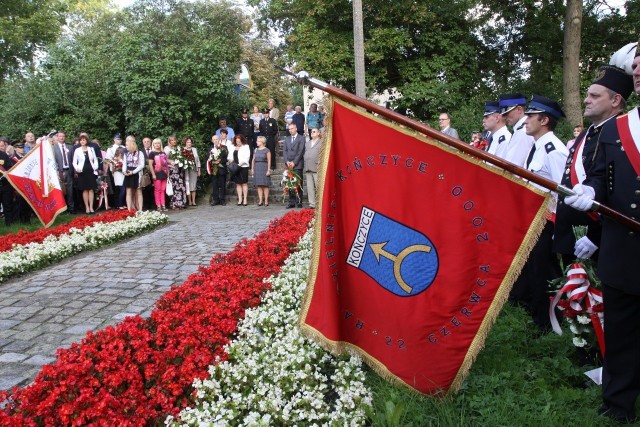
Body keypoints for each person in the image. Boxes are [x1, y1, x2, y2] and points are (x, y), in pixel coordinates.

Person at [565, 46, 640, 423]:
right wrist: (592, 191)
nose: (639, 73)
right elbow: (599, 176)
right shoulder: (616, 128)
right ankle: (618, 405)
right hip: (623, 248)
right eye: (637, 68)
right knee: (623, 332)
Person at [554, 65, 632, 265]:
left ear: (615, 100)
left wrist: (596, 236)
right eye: (587, 94)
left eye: (595, 96)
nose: (587, 100)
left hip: (597, 240)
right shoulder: (586, 133)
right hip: (572, 235)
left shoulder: (623, 136)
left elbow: (623, 196)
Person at [509, 95, 568, 331]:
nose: (526, 121)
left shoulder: (554, 150)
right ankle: (542, 318)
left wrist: (558, 229)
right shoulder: (539, 146)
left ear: (544, 120)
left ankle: (548, 323)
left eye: (531, 116)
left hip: (548, 220)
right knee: (537, 269)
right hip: (536, 218)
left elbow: (564, 190)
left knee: (543, 271)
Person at [498, 93, 535, 167]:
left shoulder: (523, 132)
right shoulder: (519, 130)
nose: (504, 117)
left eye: (506, 113)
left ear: (519, 109)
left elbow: (513, 167)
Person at [72, 135, 99, 214]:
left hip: (91, 170)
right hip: (82, 171)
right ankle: (86, 207)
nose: (82, 141)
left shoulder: (91, 149)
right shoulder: (77, 150)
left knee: (91, 189)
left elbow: (95, 159)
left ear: (86, 141)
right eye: (81, 140)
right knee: (85, 190)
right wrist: (77, 169)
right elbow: (74, 162)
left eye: (84, 140)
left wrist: (96, 167)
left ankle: (91, 207)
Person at [53, 130, 75, 214]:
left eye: (63, 136)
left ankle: (71, 209)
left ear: (65, 137)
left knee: (70, 191)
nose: (61, 138)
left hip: (69, 170)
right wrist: (58, 171)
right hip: (60, 171)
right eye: (60, 136)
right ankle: (62, 210)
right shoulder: (54, 148)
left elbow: (73, 159)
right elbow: (53, 160)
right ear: (57, 137)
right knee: (61, 191)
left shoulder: (70, 147)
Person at [283, 123, 305, 208]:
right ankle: (291, 202)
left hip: (298, 164)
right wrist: (287, 161)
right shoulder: (287, 139)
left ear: (296, 128)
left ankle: (299, 201)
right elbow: (284, 151)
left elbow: (301, 151)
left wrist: (294, 162)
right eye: (289, 129)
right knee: (290, 183)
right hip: (289, 164)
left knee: (298, 183)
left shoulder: (301, 138)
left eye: (292, 128)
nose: (290, 130)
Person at [122, 136, 145, 211]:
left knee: (138, 191)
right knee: (128, 191)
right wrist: (124, 172)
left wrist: (133, 172)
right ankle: (129, 209)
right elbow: (124, 164)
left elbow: (142, 165)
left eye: (127, 145)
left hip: (136, 173)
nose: (126, 147)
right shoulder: (126, 154)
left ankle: (140, 209)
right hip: (128, 173)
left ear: (131, 145)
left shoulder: (139, 153)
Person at [164, 135, 187, 209]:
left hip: (179, 169)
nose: (174, 141)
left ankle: (181, 203)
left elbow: (182, 156)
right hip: (172, 169)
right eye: (172, 140)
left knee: (180, 186)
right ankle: (174, 204)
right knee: (174, 186)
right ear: (169, 141)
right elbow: (165, 159)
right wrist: (172, 162)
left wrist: (181, 161)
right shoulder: (167, 149)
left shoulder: (178, 148)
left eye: (174, 140)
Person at [106, 133, 126, 209]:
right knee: (118, 188)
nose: (119, 140)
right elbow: (108, 160)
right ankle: (118, 204)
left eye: (120, 139)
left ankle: (122, 203)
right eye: (118, 139)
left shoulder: (124, 147)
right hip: (116, 170)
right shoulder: (111, 148)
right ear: (114, 139)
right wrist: (113, 168)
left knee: (123, 187)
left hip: (123, 169)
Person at [207, 135, 228, 206]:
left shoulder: (224, 147)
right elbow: (207, 158)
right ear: (212, 140)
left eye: (216, 139)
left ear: (219, 139)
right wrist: (212, 162)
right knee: (214, 185)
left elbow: (225, 158)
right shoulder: (210, 148)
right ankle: (215, 200)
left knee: (222, 185)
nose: (215, 140)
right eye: (214, 139)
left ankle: (222, 200)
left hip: (222, 169)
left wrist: (219, 161)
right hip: (214, 169)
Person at [303, 128, 322, 208]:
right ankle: (312, 203)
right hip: (308, 166)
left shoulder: (321, 142)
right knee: (310, 187)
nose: (312, 133)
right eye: (311, 132)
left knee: (319, 186)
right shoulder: (307, 143)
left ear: (318, 133)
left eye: (314, 132)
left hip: (316, 167)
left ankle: (320, 202)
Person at [148, 138, 168, 211]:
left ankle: (163, 205)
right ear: (153, 144)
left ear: (160, 144)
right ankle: (158, 205)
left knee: (163, 189)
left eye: (158, 143)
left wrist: (167, 173)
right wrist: (153, 174)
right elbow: (150, 165)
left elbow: (166, 164)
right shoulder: (152, 153)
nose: (157, 145)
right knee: (157, 189)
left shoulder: (163, 153)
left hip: (164, 173)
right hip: (156, 173)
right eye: (155, 143)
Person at [230, 134, 250, 206]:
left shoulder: (246, 146)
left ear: (242, 141)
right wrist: (231, 161)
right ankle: (240, 199)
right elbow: (230, 156)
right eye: (237, 141)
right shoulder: (233, 147)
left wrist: (239, 165)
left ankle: (245, 199)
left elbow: (246, 157)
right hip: (235, 167)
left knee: (244, 183)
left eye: (239, 141)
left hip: (243, 167)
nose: (238, 143)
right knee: (238, 184)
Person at [251, 136, 271, 206]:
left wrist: (268, 170)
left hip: (264, 167)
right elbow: (253, 160)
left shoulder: (267, 150)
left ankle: (266, 201)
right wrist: (252, 169)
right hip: (257, 167)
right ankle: (260, 200)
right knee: (259, 185)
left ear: (262, 142)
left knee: (265, 185)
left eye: (258, 141)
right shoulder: (255, 150)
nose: (256, 142)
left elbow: (269, 161)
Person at [183, 136, 200, 207]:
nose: (189, 143)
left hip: (193, 169)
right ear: (185, 143)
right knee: (188, 185)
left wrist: (199, 169)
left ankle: (193, 201)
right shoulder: (182, 150)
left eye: (190, 142)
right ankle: (189, 201)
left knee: (193, 185)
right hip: (186, 170)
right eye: (187, 142)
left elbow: (198, 160)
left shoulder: (194, 149)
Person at [0, 147, 15, 225]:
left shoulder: (3, 154)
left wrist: (7, 172)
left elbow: (9, 166)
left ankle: (9, 223)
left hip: (5, 184)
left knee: (7, 205)